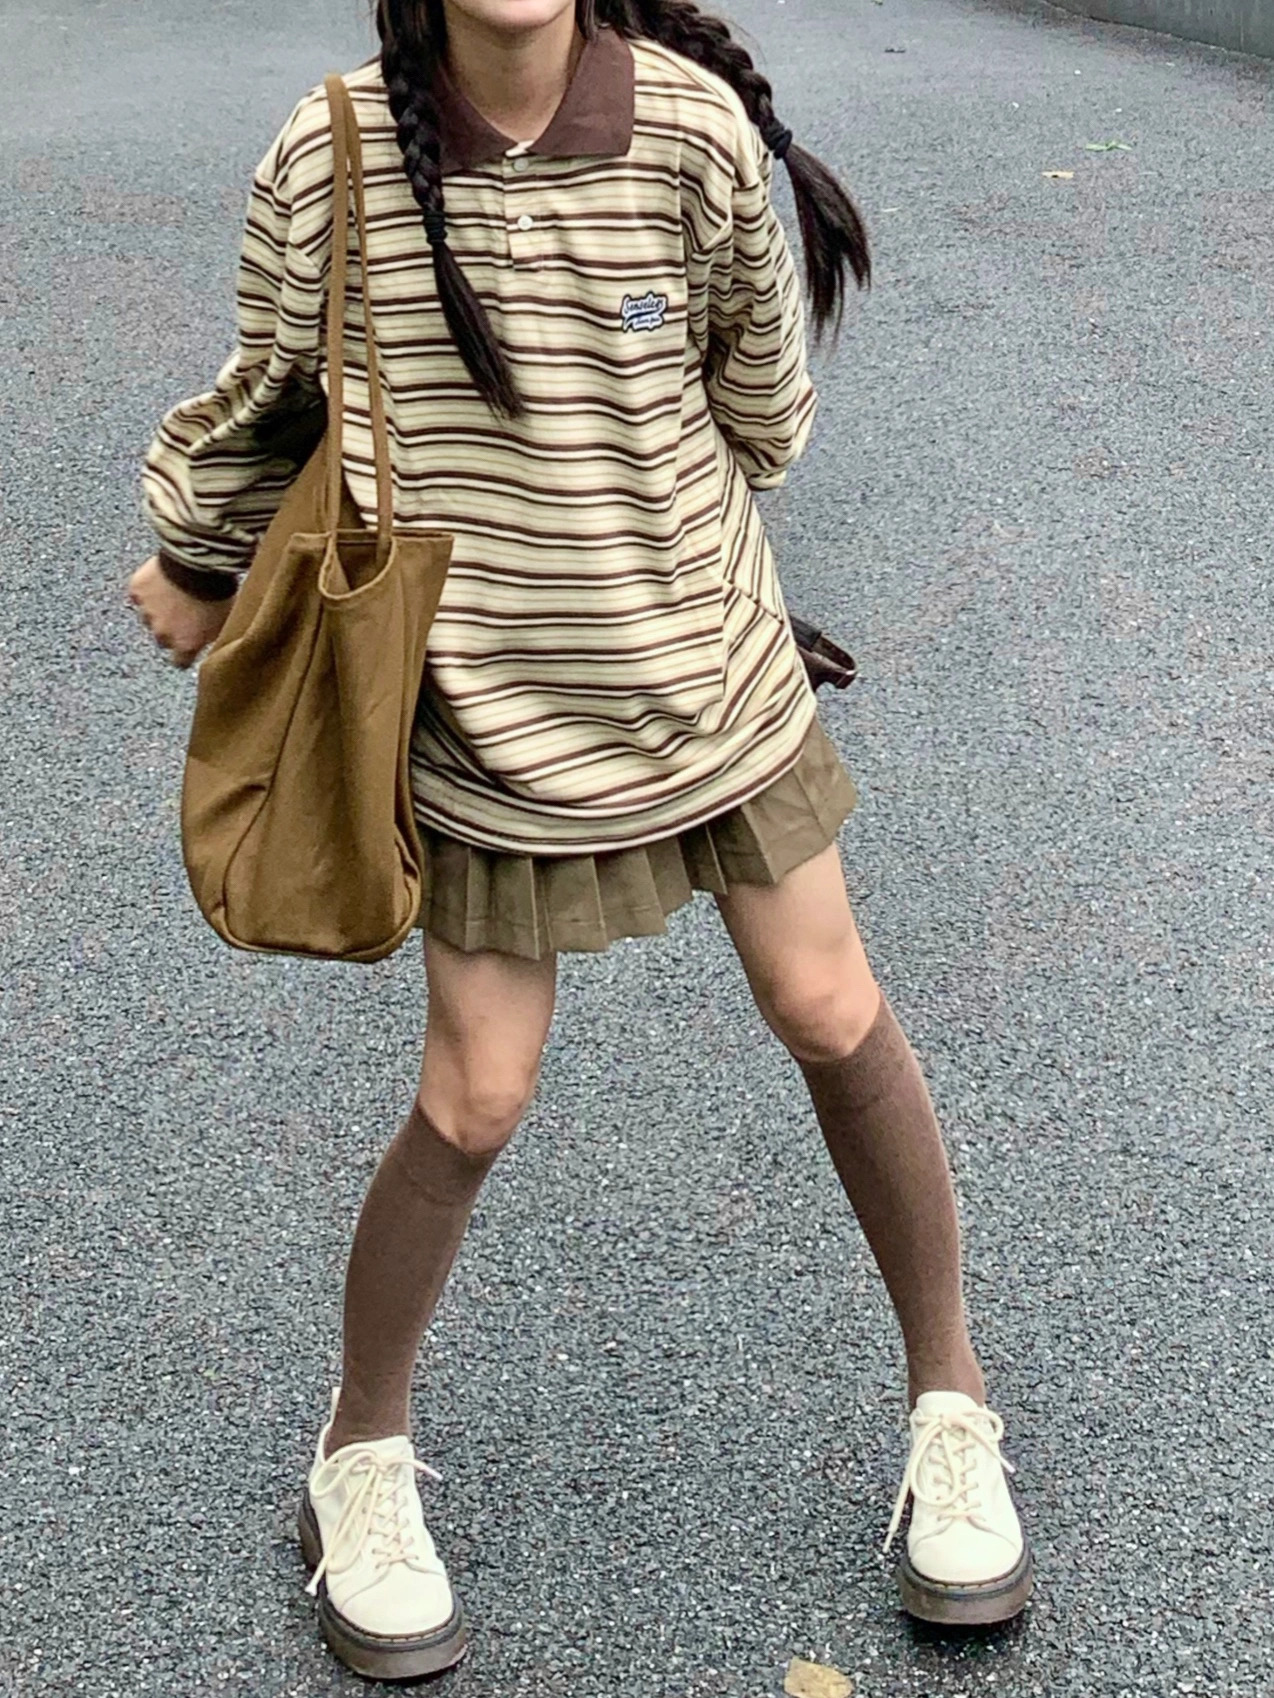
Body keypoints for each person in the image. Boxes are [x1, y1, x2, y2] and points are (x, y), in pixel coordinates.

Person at [129, 0, 1033, 1680]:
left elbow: (761, 415)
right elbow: (273, 391)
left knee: (831, 1008)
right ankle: (357, 1456)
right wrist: (196, 551)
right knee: (474, 1096)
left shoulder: (688, 135)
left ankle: (952, 1408)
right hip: (486, 718)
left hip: (710, 681)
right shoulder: (332, 150)